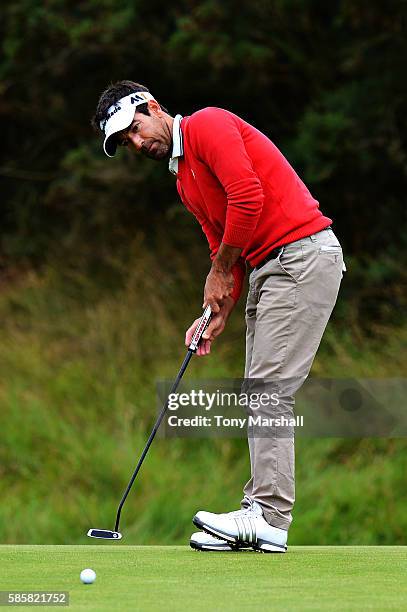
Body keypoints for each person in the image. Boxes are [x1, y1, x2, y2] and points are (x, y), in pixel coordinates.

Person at [92, 81, 345, 553]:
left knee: (270, 390)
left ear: (152, 107)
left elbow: (247, 198)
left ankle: (268, 517)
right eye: (126, 142)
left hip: (301, 257)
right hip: (271, 265)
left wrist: (221, 270)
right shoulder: (184, 181)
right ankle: (261, 518)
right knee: (260, 389)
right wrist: (214, 309)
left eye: (134, 129)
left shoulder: (208, 124)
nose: (137, 142)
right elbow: (221, 252)